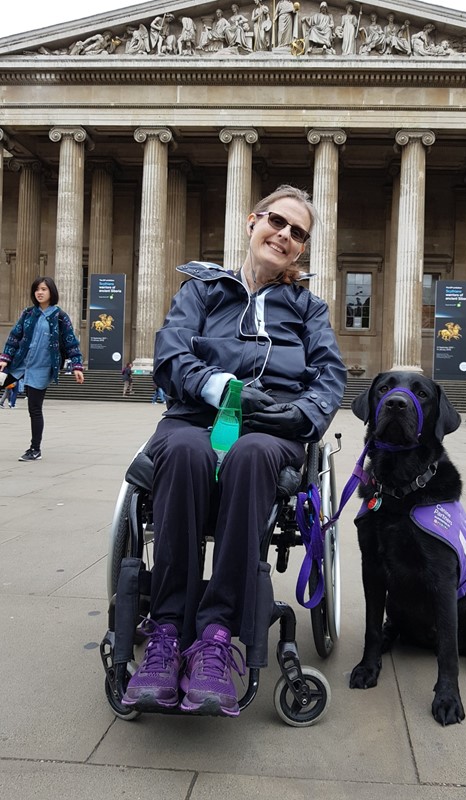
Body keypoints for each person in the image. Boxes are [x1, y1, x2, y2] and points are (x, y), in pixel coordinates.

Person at [122, 185, 346, 717]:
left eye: (299, 233)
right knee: (185, 453)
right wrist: (221, 388)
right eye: (278, 222)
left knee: (249, 457)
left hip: (271, 427)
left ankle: (217, 637)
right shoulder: (201, 292)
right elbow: (171, 355)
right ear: (252, 222)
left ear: (302, 249)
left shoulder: (308, 307)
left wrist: (305, 414)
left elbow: (331, 376)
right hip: (199, 416)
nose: (286, 236)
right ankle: (168, 632)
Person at [0, 276, 84, 461]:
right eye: (37, 289)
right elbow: (15, 337)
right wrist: (5, 359)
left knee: (34, 408)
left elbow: (71, 342)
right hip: (20, 364)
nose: (40, 292)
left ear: (51, 292)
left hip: (41, 368)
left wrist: (77, 365)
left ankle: (34, 449)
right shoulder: (28, 314)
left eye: (44, 289)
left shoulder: (60, 317)